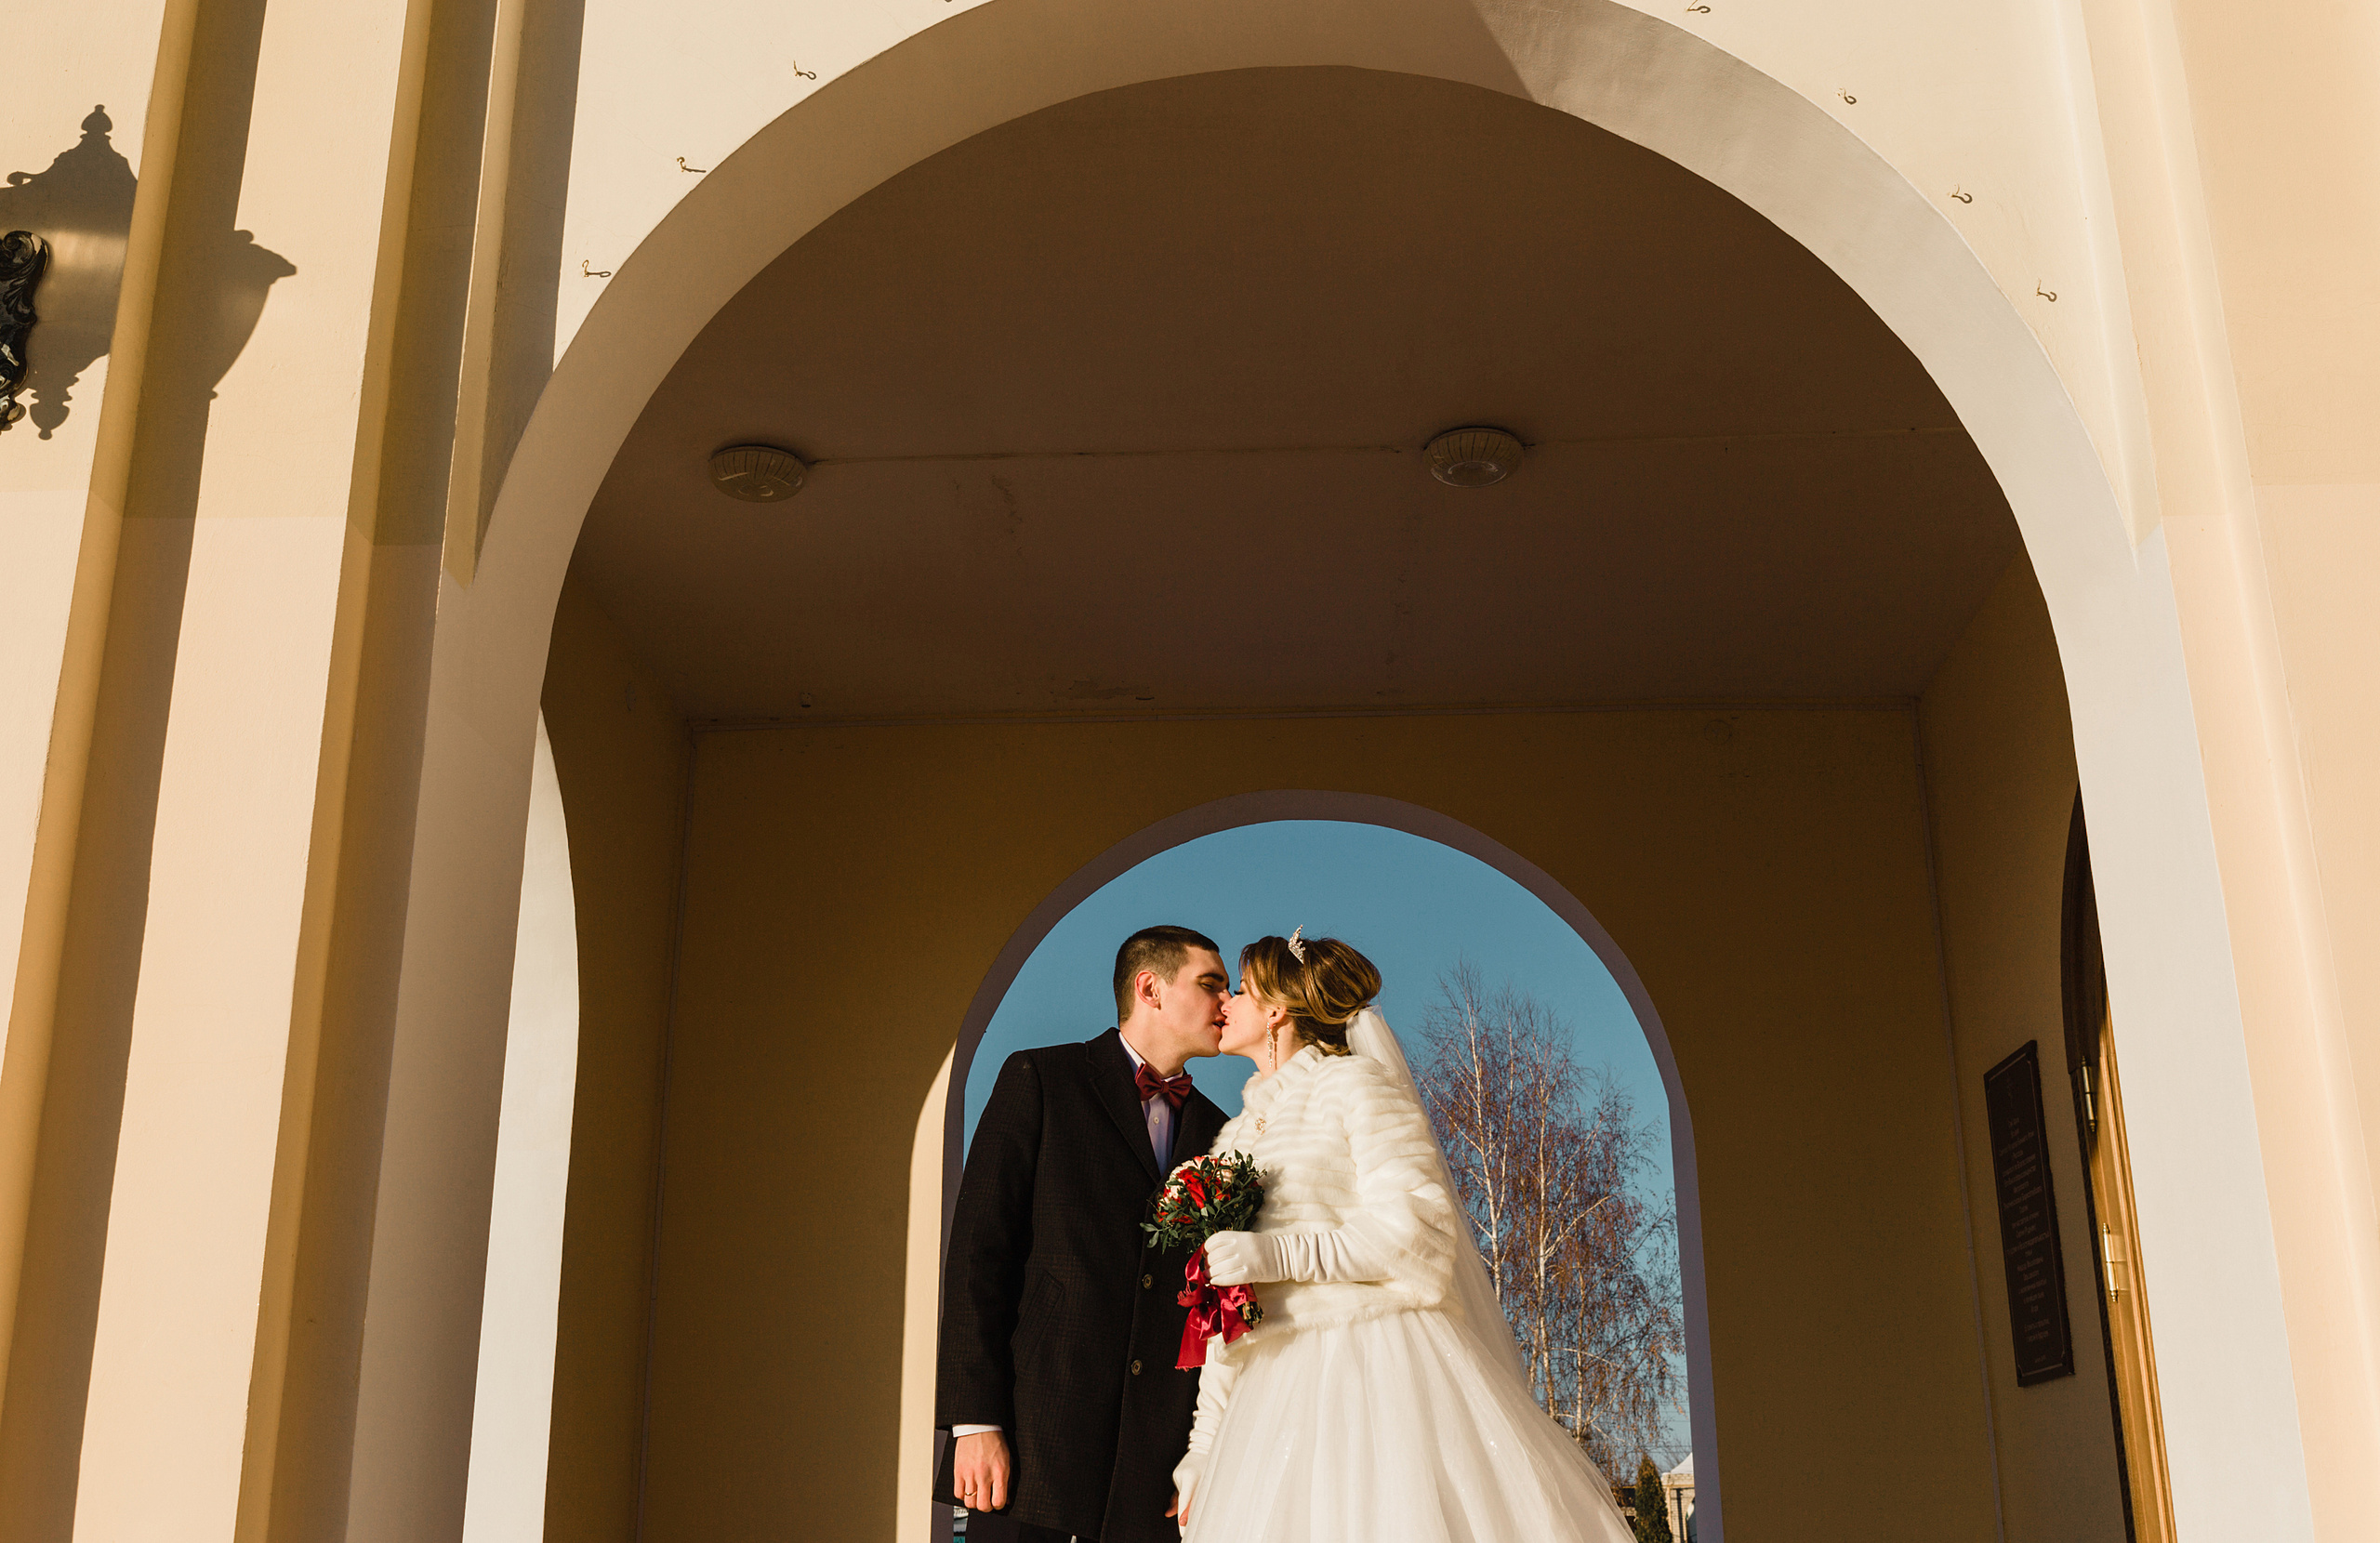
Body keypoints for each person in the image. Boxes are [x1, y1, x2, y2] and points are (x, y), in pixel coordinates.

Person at [1169, 932, 1637, 1543]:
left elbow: (1417, 1236)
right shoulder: (1233, 1139)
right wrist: (1205, 1445)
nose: (1225, 1002)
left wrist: (1278, 1253)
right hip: (1269, 1402)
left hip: (1371, 1376)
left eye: (1241, 989)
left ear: (1278, 1008)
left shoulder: (1354, 1087)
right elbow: (1226, 1308)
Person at [937, 925, 1233, 1543]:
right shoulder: (1042, 1079)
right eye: (1211, 985)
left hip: (1154, 1483)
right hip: (1028, 1455)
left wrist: (1204, 1454)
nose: (1226, 1004)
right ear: (1149, 988)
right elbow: (978, 1257)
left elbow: (1215, 1313)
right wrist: (974, 1422)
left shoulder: (1222, 1134)